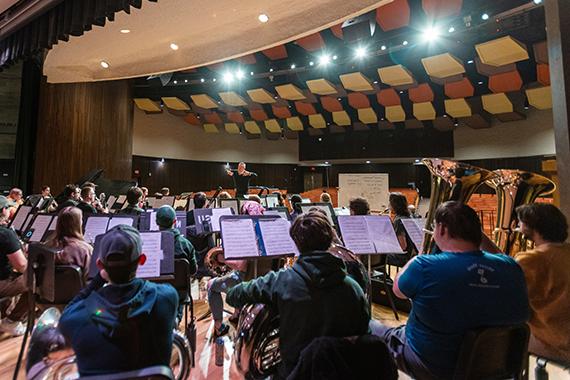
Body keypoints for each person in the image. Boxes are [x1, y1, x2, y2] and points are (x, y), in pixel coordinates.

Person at [371, 201, 529, 380]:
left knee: (369, 326)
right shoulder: (512, 267)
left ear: (442, 230)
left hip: (433, 365)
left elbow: (398, 291)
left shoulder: (424, 265)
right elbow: (500, 257)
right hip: (500, 366)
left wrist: (422, 252)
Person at [227, 211, 370, 378]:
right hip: (340, 372)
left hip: (295, 372)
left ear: (295, 242)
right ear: (330, 238)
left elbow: (233, 295)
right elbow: (363, 336)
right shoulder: (354, 288)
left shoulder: (280, 281)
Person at [59, 225, 178, 376]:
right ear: (142, 260)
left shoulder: (76, 316)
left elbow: (69, 310)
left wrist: (98, 280)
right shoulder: (166, 298)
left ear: (100, 265)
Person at [515, 203, 570, 362]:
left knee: (501, 336)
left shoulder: (531, 260)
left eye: (520, 222)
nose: (518, 226)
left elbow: (511, 302)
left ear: (531, 226)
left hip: (557, 341)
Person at [0, 196, 28, 336]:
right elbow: (22, 266)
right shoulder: (5, 234)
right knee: (36, 280)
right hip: (1, 283)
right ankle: (12, 321)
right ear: (4, 210)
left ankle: (5, 316)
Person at [46, 207, 92, 280]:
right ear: (78, 224)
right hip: (79, 291)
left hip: (48, 291)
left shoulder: (47, 247)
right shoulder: (85, 249)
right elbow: (90, 279)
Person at [387, 192, 415, 267]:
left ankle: (384, 278)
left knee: (378, 257)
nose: (389, 206)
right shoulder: (409, 217)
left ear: (394, 205)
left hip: (401, 258)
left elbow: (403, 246)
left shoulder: (398, 221)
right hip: (410, 255)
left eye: (390, 203)